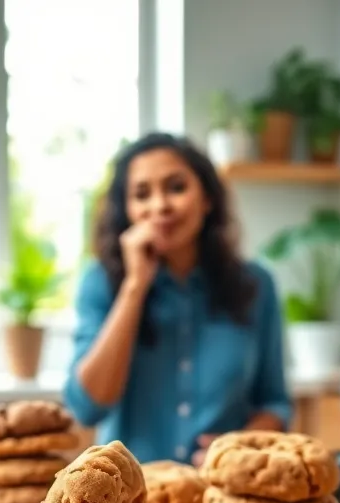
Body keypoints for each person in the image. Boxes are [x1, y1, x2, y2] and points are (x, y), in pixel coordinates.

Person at [64, 132, 293, 465]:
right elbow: (87, 407)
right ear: (127, 210)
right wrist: (134, 287)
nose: (160, 206)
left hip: (218, 497)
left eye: (176, 187)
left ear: (207, 199)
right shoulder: (101, 283)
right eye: (142, 194)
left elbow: (275, 403)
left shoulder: (255, 285)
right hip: (130, 502)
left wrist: (240, 447)